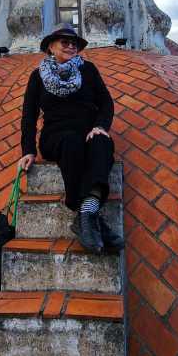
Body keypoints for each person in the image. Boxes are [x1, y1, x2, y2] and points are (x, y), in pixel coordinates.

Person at [18, 22, 124, 254]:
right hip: (56, 135)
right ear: (51, 47)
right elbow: (29, 115)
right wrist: (28, 150)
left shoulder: (88, 70)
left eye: (74, 43)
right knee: (72, 143)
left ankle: (86, 212)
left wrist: (100, 126)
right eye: (65, 42)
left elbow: (106, 102)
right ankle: (92, 218)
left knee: (103, 143)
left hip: (87, 129)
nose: (71, 46)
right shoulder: (38, 76)